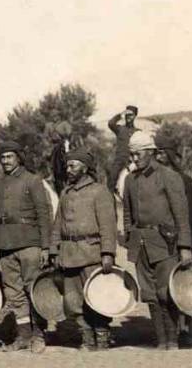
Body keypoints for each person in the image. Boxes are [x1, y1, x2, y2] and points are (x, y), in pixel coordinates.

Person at [122, 131, 192, 351]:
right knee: (150, 294)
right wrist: (129, 236)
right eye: (131, 155)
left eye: (138, 154)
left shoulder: (169, 176)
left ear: (151, 152)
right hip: (140, 244)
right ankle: (161, 340)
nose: (134, 159)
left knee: (166, 292)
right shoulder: (130, 180)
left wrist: (185, 246)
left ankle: (173, 339)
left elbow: (181, 214)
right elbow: (127, 213)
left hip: (165, 243)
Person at [0, 140, 52, 353]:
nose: (5, 161)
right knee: (13, 292)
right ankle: (23, 335)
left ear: (19, 158)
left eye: (9, 157)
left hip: (29, 242)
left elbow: (44, 214)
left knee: (33, 288)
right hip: (4, 245)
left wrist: (46, 246)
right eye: (2, 157)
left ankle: (39, 335)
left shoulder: (32, 180)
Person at [51, 147, 117, 351]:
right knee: (74, 300)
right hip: (69, 254)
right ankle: (86, 336)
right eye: (67, 166)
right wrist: (54, 250)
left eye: (73, 166)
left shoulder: (99, 191)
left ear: (85, 168)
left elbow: (108, 225)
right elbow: (58, 223)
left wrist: (107, 253)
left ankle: (102, 335)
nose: (68, 170)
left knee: (97, 297)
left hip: (92, 254)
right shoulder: (65, 192)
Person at [154, 131, 192, 347]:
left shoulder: (184, 180)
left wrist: (188, 245)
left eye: (162, 153)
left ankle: (185, 329)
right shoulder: (150, 180)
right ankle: (169, 330)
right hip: (160, 242)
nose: (158, 157)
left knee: (184, 285)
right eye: (155, 153)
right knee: (164, 288)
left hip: (182, 242)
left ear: (170, 155)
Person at [107, 105, 140, 196]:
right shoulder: (120, 129)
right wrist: (120, 115)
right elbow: (110, 123)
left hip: (133, 160)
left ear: (135, 116)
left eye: (131, 115)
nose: (128, 117)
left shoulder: (138, 131)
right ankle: (109, 198)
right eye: (127, 115)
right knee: (112, 177)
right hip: (120, 160)